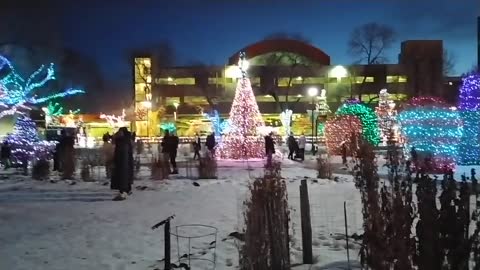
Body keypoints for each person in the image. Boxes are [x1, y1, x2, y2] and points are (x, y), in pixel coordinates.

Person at [111, 127, 134, 201]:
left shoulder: (123, 142)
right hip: (124, 163)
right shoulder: (126, 140)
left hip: (122, 164)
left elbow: (122, 155)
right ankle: (126, 190)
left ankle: (123, 191)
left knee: (123, 176)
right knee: (126, 176)